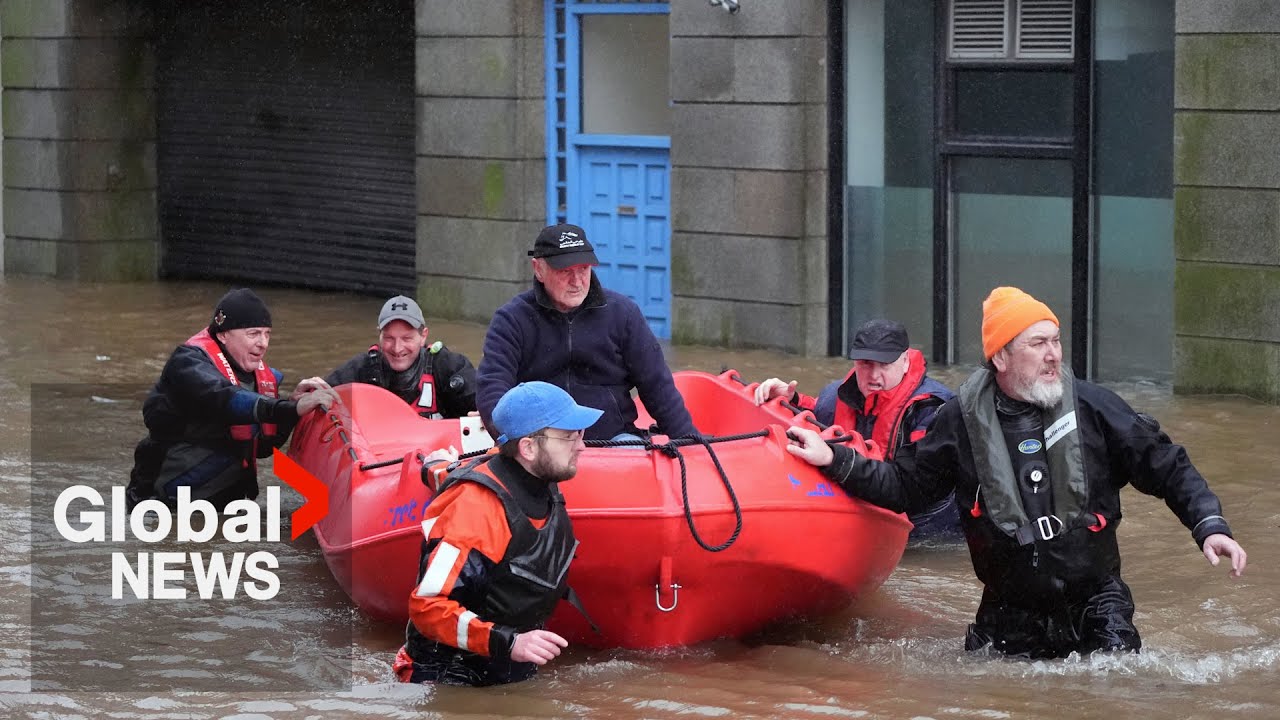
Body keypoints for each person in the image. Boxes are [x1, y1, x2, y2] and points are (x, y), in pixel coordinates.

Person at [785, 286, 1247, 659]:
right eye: (1038, 343)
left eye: (1055, 340)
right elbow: (906, 487)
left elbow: (1166, 467)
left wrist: (1209, 525)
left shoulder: (1094, 407)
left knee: (1119, 689)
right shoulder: (959, 421)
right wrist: (834, 459)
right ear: (1001, 357)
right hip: (1009, 611)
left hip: (1095, 602)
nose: (1053, 354)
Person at [393, 381, 603, 686]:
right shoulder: (473, 510)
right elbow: (427, 607)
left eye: (580, 435)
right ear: (528, 447)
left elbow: (463, 469)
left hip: (505, 667)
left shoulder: (535, 472)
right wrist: (509, 643)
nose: (581, 446)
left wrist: (437, 467)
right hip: (447, 677)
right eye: (569, 437)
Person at [476, 223, 696, 441]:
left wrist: (690, 444)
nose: (577, 281)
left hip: (613, 439)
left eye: (583, 269)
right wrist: (511, 441)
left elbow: (658, 386)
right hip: (541, 447)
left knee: (629, 445)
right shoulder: (511, 319)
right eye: (565, 271)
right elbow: (492, 389)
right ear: (538, 270)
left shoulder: (623, 314)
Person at [127, 288, 338, 510]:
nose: (263, 343)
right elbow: (224, 398)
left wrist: (294, 405)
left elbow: (264, 447)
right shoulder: (187, 364)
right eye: (253, 333)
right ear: (223, 334)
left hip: (226, 507)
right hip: (165, 506)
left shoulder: (260, 376)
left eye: (267, 334)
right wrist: (289, 409)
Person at [754, 318, 959, 540]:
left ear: (906, 361)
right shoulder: (834, 396)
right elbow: (817, 416)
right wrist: (790, 401)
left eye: (885, 365)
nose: (873, 376)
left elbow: (919, 487)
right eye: (866, 364)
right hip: (860, 515)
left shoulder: (932, 409)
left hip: (928, 530)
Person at [325, 295, 476, 418]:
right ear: (379, 336)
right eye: (389, 338)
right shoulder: (361, 369)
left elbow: (486, 404)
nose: (397, 349)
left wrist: (483, 415)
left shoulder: (448, 366)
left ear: (423, 336)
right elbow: (319, 399)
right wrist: (301, 405)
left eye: (407, 338)